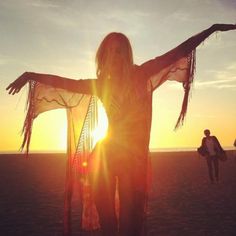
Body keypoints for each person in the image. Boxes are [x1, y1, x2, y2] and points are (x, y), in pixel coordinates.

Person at [6, 24, 236, 236]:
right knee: (107, 221)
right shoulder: (99, 84)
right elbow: (65, 83)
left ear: (126, 54)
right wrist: (31, 75)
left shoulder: (141, 74)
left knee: (129, 221)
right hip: (104, 155)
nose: (114, 56)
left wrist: (211, 29)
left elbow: (177, 51)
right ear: (103, 56)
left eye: (119, 51)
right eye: (109, 51)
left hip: (132, 158)